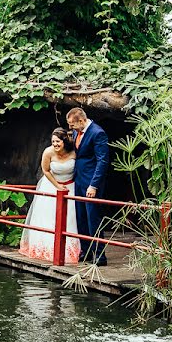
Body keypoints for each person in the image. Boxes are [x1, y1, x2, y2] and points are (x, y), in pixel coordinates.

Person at [18, 128, 80, 264]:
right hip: (52, 185)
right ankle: (46, 249)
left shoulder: (74, 152)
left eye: (58, 141)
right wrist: (57, 186)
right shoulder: (48, 152)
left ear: (64, 141)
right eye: (53, 142)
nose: (55, 144)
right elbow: (46, 170)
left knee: (70, 218)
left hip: (70, 186)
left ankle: (70, 250)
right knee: (48, 218)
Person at [66, 107, 110, 265]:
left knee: (93, 219)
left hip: (91, 183)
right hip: (79, 180)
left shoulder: (98, 133)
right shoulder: (78, 132)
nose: (70, 127)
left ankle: (99, 255)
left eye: (72, 124)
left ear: (81, 120)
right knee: (81, 218)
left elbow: (102, 161)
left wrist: (94, 185)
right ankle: (85, 251)